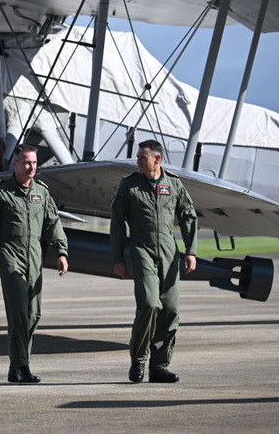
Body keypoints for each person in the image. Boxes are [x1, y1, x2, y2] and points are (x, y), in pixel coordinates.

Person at [0, 143, 69, 383]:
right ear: (15, 164)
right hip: (10, 255)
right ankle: (22, 366)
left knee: (34, 314)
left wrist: (61, 253)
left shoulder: (42, 192)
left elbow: (52, 223)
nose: (31, 167)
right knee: (18, 313)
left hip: (34, 258)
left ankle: (15, 366)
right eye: (26, 162)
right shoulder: (0, 192)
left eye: (34, 163)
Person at [110, 139, 198, 384]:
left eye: (142, 157)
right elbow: (117, 223)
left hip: (169, 252)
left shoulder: (173, 184)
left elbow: (188, 216)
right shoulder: (130, 185)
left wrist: (190, 250)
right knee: (149, 304)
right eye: (138, 157)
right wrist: (117, 258)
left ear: (157, 159)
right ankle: (138, 361)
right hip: (142, 249)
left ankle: (159, 366)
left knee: (170, 309)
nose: (138, 161)